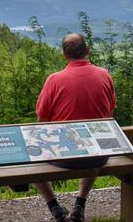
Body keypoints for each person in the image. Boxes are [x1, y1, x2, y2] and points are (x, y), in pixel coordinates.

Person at [35, 33, 116, 222]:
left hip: (64, 155)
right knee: (92, 144)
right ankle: (80, 203)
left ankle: (55, 207)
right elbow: (110, 116)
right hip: (98, 155)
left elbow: (41, 122)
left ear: (64, 55)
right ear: (87, 51)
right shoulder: (105, 75)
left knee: (29, 156)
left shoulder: (54, 80)